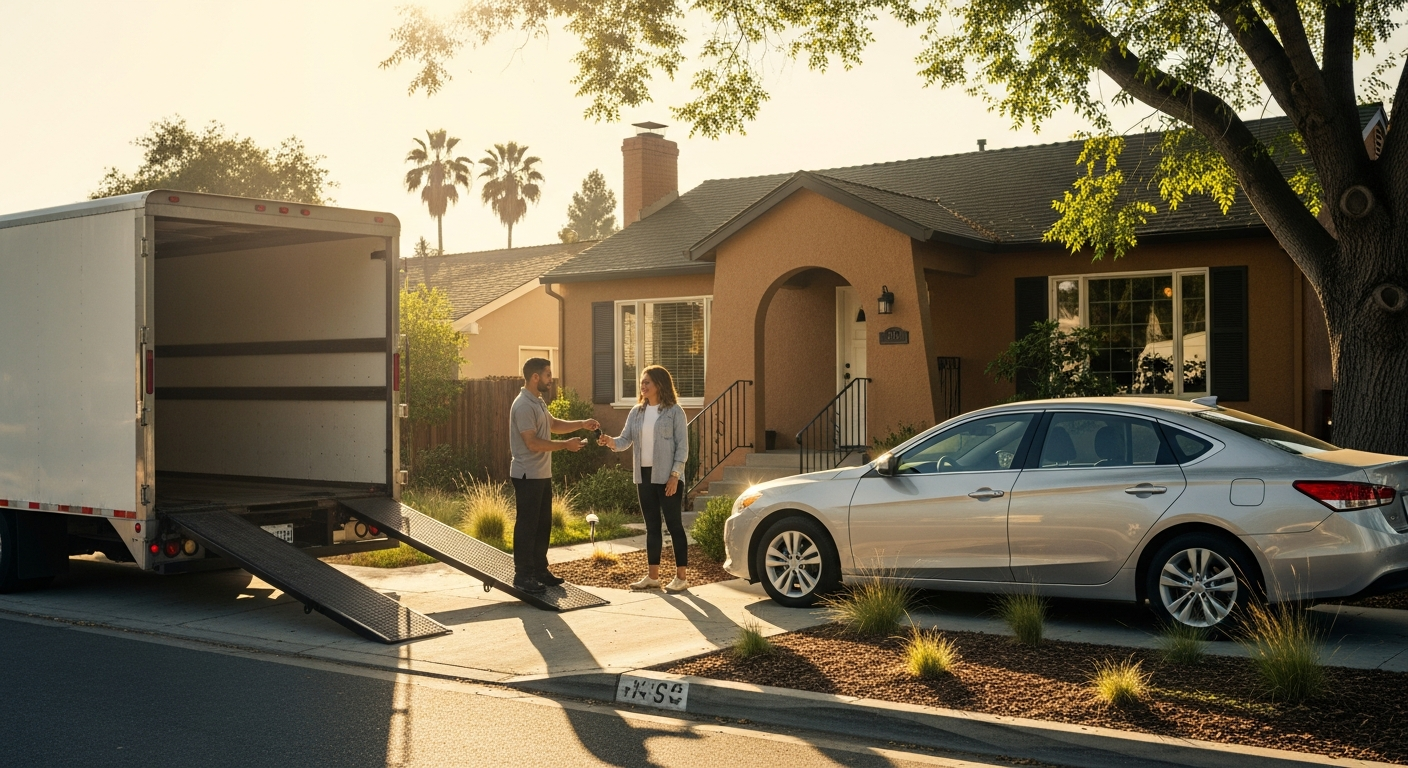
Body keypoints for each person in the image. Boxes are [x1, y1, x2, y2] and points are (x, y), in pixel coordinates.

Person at [509, 357, 598, 594]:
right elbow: (532, 443)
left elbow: (554, 425)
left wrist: (582, 423)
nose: (551, 379)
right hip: (527, 474)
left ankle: (539, 570)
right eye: (548, 375)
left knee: (542, 525)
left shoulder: (537, 401)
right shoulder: (523, 405)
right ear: (535, 377)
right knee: (528, 526)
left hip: (541, 474)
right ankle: (522, 575)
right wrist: (565, 445)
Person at [598, 365, 690, 592]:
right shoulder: (637, 412)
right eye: (642, 382)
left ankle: (681, 578)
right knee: (652, 527)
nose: (643, 386)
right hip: (644, 476)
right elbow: (624, 440)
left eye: (647, 382)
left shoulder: (674, 412)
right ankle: (653, 577)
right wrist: (610, 441)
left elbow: (682, 448)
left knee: (674, 526)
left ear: (659, 384)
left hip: (668, 476)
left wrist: (675, 476)